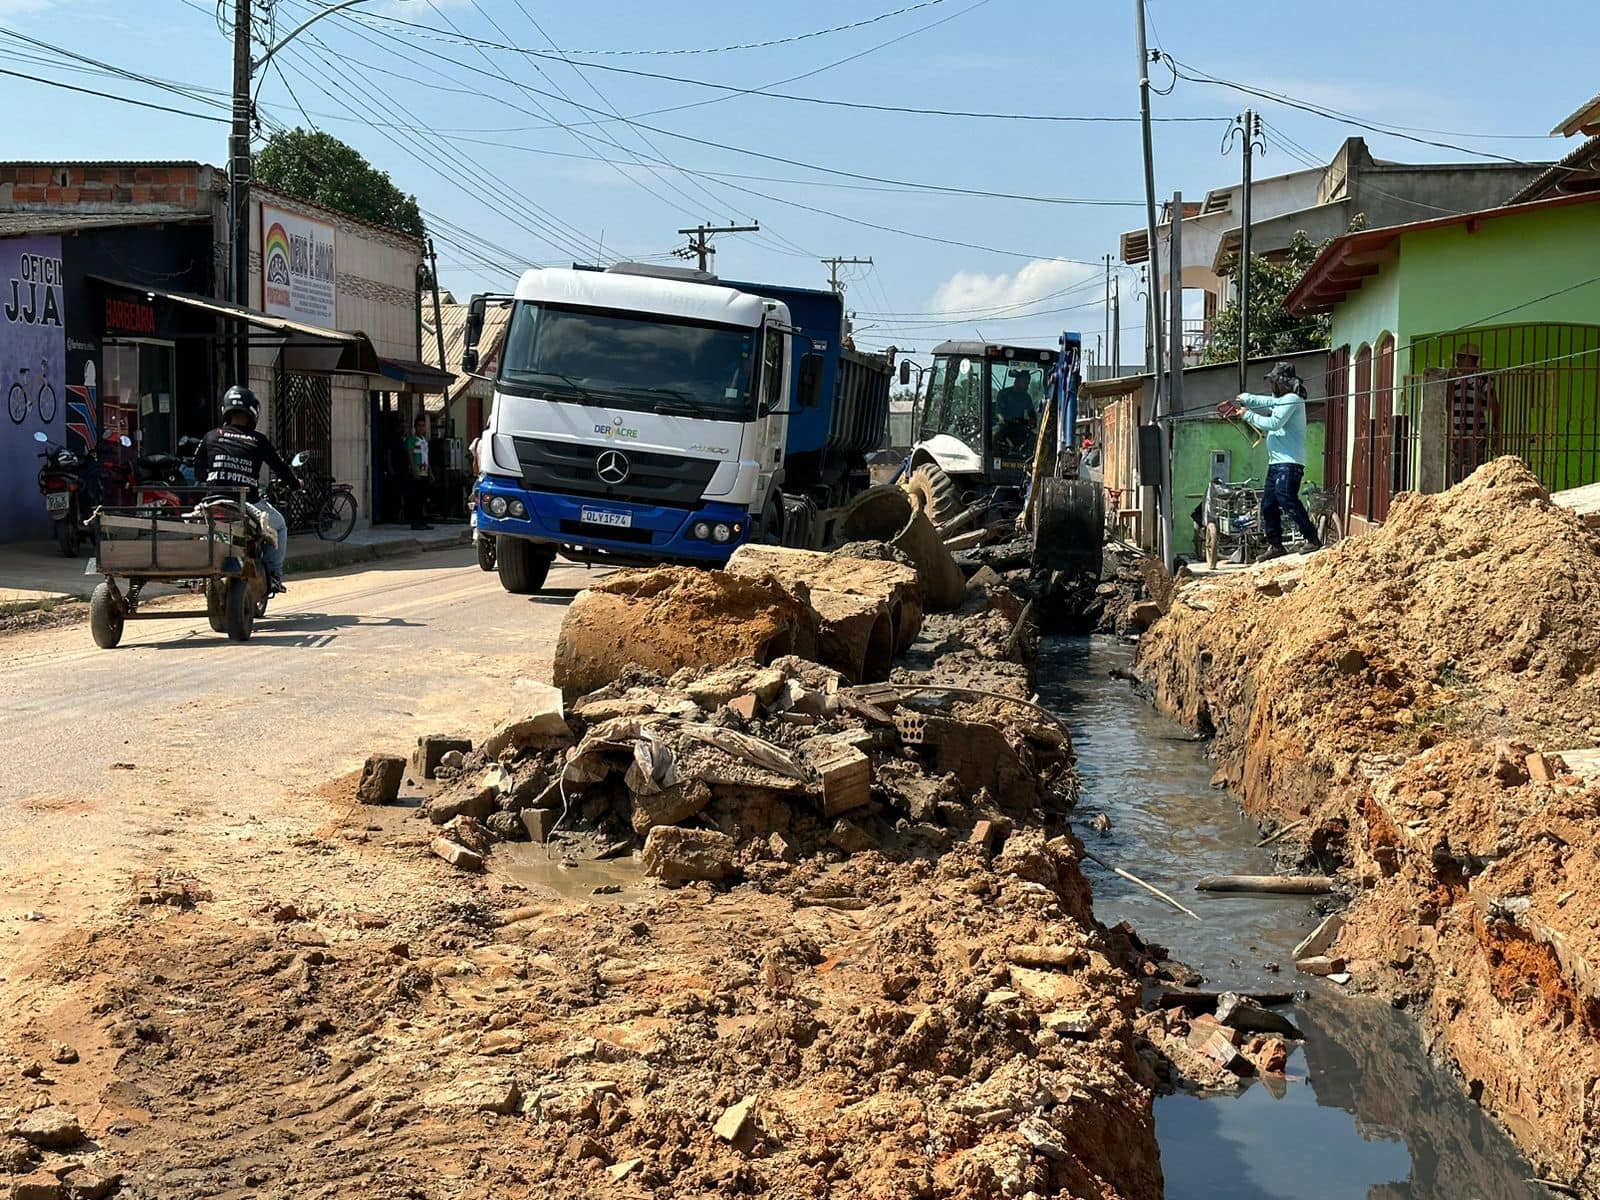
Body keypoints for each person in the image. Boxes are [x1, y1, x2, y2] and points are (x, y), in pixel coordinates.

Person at [194, 385, 301, 593]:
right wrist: (296, 484)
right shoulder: (258, 440)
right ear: (252, 412)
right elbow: (281, 468)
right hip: (247, 503)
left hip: (213, 501)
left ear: (226, 410)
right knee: (280, 526)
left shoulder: (211, 436)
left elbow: (198, 472)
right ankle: (274, 575)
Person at [1219, 361, 1321, 561]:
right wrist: (1247, 398)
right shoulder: (1281, 400)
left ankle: (1312, 538)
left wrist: (1248, 414)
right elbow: (1266, 402)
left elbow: (1273, 424)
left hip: (1290, 462)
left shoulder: (1292, 399)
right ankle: (1276, 545)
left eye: (1274, 381)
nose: (1271, 386)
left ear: (1283, 382)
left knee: (1286, 497)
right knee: (1267, 505)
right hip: (1276, 463)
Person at [1448, 342, 1500, 484]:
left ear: (1468, 359)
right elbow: (1449, 406)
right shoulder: (1456, 380)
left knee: (1474, 471)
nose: (1457, 362)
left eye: (1459, 358)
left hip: (1475, 434)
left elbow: (1494, 405)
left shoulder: (1482, 379)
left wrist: (1497, 432)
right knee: (1457, 472)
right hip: (1458, 433)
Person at [405, 414, 433, 531]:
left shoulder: (424, 440)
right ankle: (415, 522)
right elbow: (410, 455)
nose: (422, 428)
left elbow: (426, 457)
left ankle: (422, 521)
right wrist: (414, 470)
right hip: (416, 472)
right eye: (419, 426)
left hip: (424, 471)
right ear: (415, 427)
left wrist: (430, 472)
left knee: (423, 498)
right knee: (415, 498)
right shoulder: (412, 439)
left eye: (423, 426)